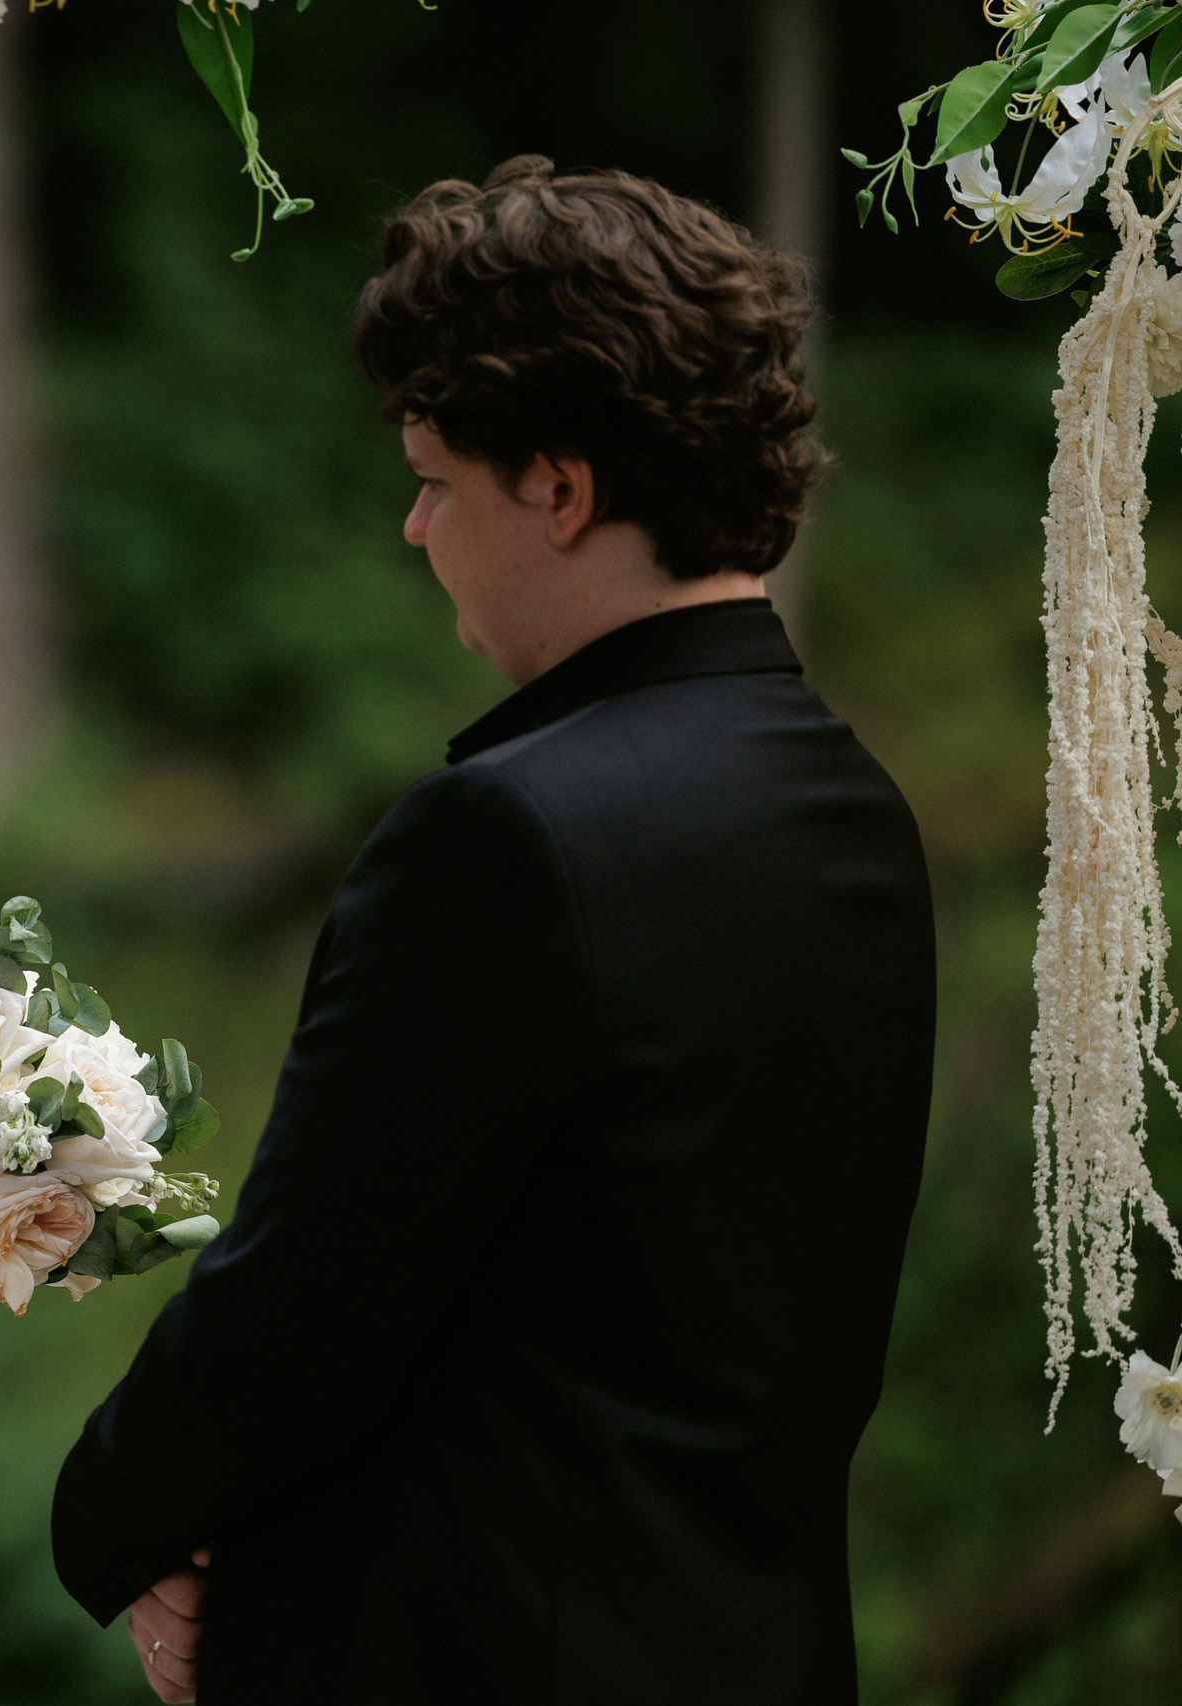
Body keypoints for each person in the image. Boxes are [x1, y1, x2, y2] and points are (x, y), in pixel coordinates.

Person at [50, 157, 936, 1704]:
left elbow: (309, 1302)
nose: (410, 528)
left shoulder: (509, 836)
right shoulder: (853, 808)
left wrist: (121, 1514)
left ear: (559, 485)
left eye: (435, 478)